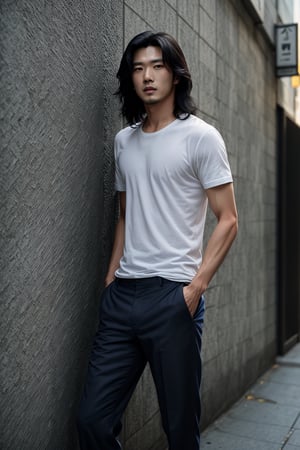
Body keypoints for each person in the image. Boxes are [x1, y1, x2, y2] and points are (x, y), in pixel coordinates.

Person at [77, 31, 238, 450]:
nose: (147, 75)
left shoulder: (201, 137)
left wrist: (195, 288)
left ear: (175, 74)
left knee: (180, 430)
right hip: (122, 299)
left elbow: (229, 219)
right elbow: (127, 216)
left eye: (157, 66)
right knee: (92, 420)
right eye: (138, 68)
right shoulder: (124, 141)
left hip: (173, 298)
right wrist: (111, 278)